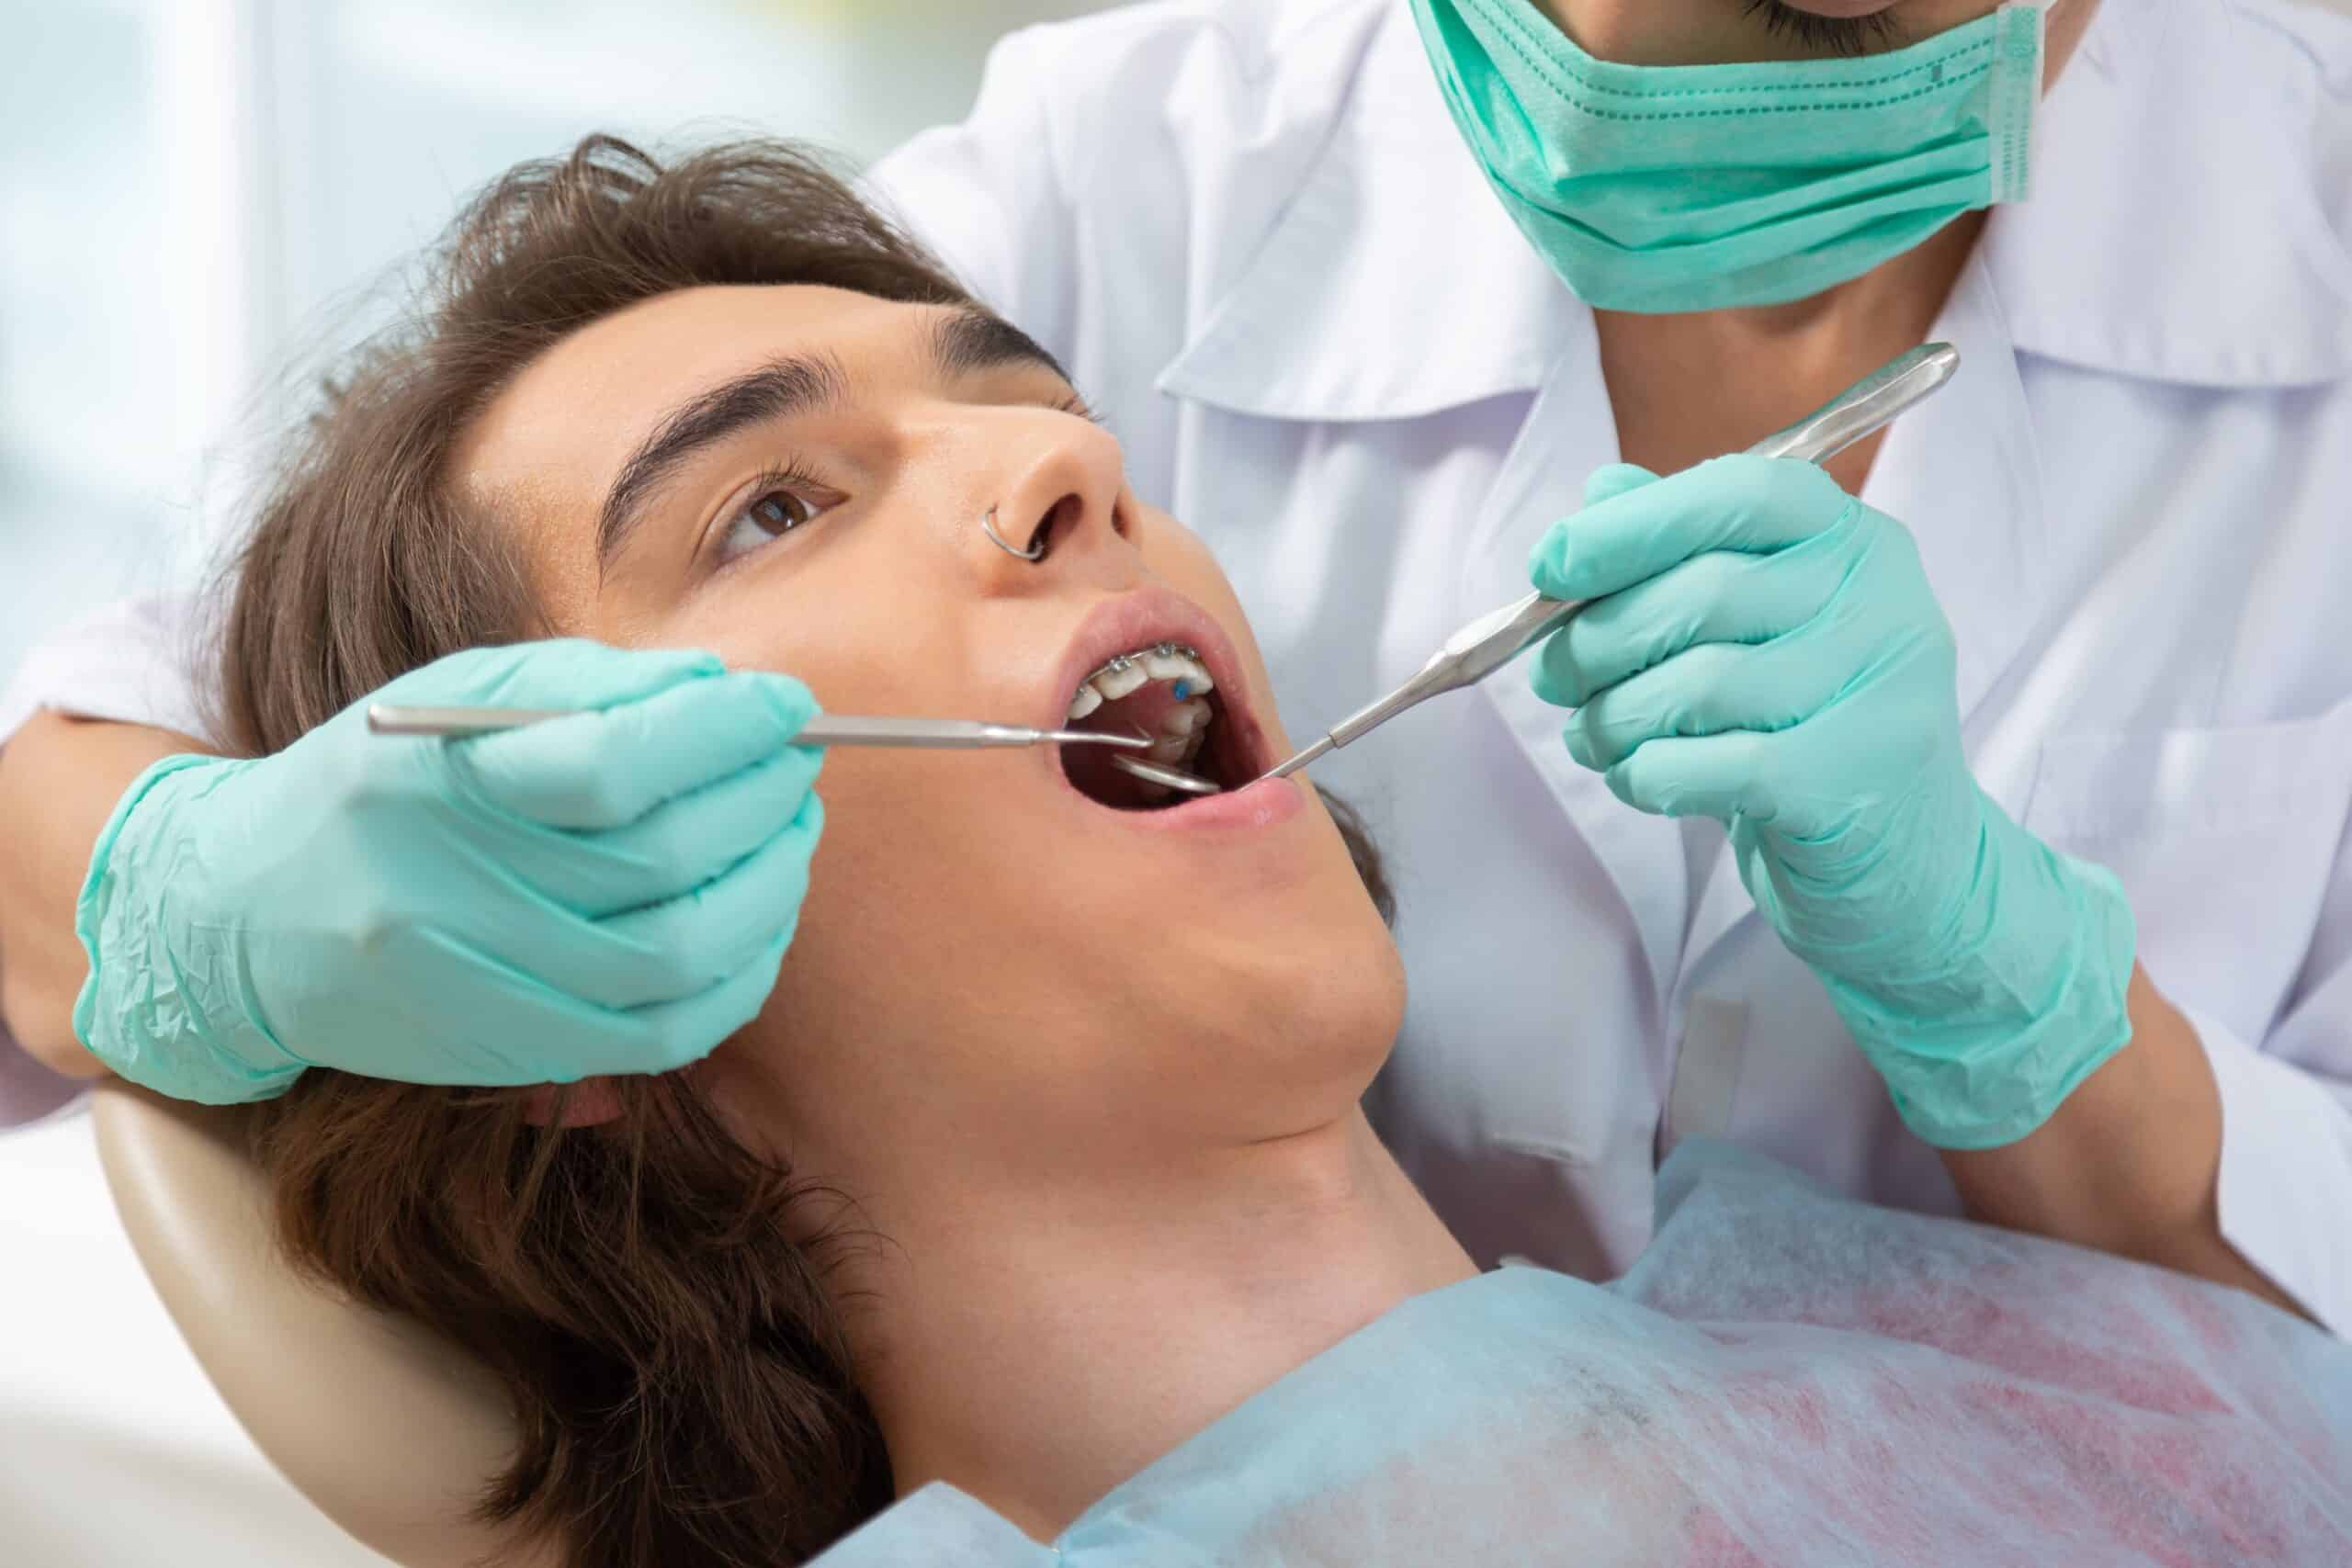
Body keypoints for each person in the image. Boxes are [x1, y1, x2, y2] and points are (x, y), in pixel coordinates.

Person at [5, 0, 2351, 1327]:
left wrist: (2038, 1017)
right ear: (598, 1067)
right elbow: (95, 761)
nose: (1072, 469)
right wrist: (197, 898)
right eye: (774, 504)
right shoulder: (1154, 168)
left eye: (1036, 401)